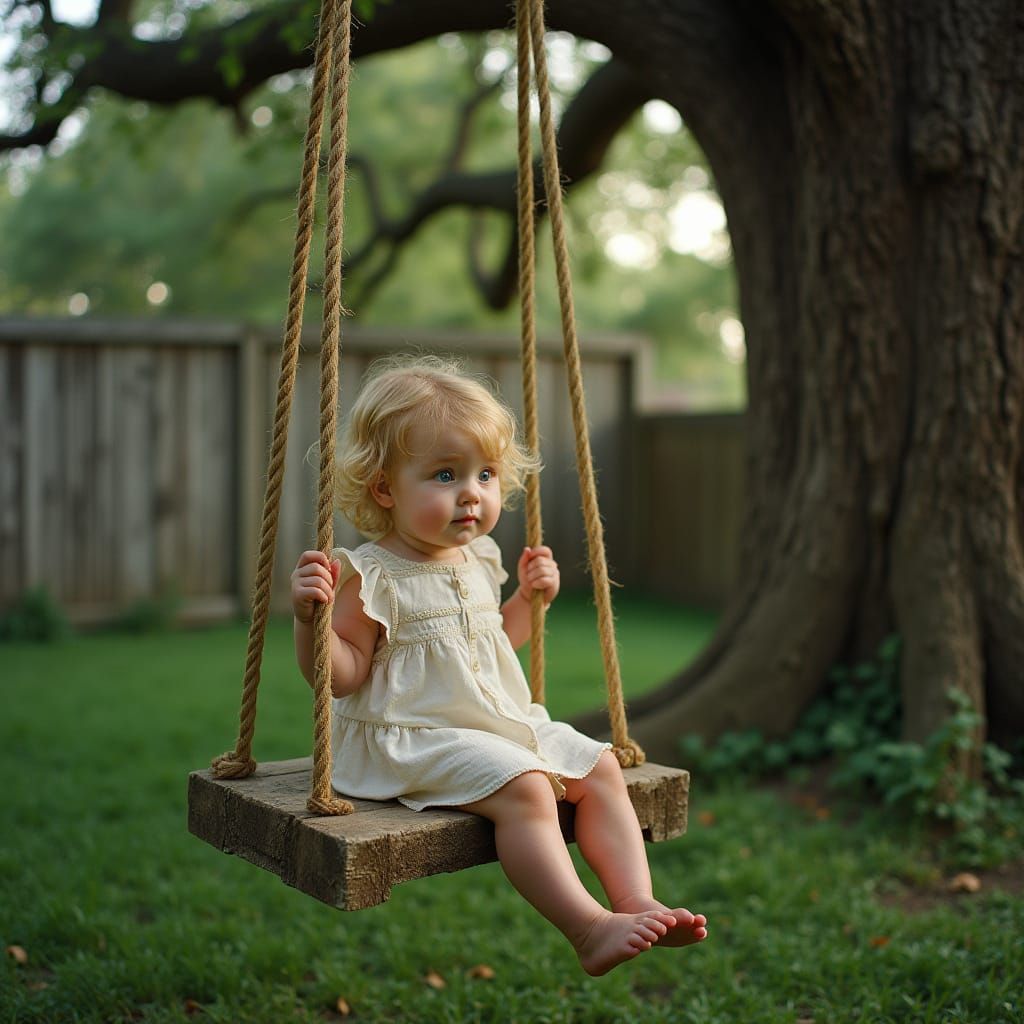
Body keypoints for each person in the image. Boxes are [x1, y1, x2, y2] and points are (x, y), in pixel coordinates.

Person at [291, 355, 707, 976]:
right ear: (385, 488)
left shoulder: (479, 557)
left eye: (485, 474)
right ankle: (588, 927)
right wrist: (310, 622)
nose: (472, 494)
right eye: (444, 474)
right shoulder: (371, 575)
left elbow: (489, 644)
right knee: (529, 788)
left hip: (491, 723)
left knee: (598, 764)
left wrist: (527, 603)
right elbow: (342, 677)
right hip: (410, 737)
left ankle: (633, 900)